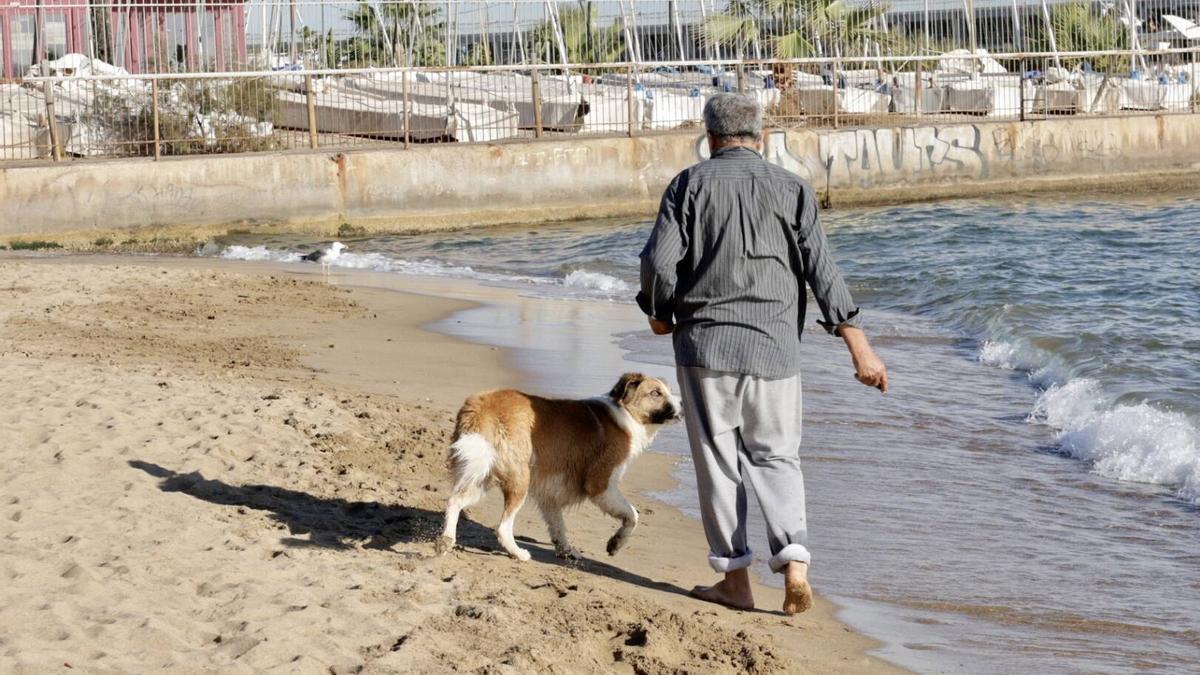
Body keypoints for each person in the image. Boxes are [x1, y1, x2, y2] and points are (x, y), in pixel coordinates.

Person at [636, 93, 888, 615]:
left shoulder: (688, 185)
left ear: (709, 137)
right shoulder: (793, 189)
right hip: (774, 349)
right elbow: (822, 269)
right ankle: (794, 561)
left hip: (705, 345)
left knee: (719, 464)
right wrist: (857, 343)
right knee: (777, 457)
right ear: (762, 137)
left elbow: (659, 264)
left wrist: (659, 312)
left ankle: (735, 581)